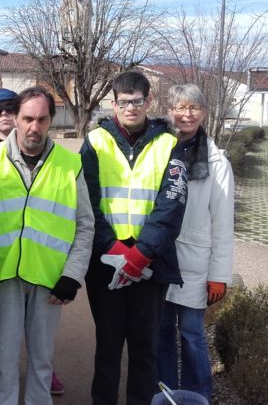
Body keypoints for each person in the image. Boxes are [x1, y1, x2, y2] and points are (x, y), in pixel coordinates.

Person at [0, 86, 94, 405]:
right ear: (16, 118)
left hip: (48, 282)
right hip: (2, 280)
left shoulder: (70, 164)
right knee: (4, 365)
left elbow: (84, 225)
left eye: (41, 119)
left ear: (50, 121)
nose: (33, 127)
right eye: (27, 118)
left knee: (42, 364)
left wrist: (72, 276)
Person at [80, 70, 188, 405]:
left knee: (145, 351)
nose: (130, 107)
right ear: (113, 103)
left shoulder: (170, 144)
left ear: (148, 101)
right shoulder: (95, 142)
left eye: (137, 101)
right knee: (108, 349)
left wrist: (140, 255)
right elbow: (86, 203)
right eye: (124, 102)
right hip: (107, 263)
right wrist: (112, 249)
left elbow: (170, 206)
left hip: (149, 266)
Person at [157, 84, 234, 402]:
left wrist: (220, 275)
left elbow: (224, 224)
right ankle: (164, 392)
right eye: (180, 107)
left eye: (194, 108)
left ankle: (198, 395)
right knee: (160, 334)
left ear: (203, 113)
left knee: (191, 335)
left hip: (195, 265)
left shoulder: (216, 163)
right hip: (160, 259)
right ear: (170, 110)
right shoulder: (159, 151)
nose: (186, 114)